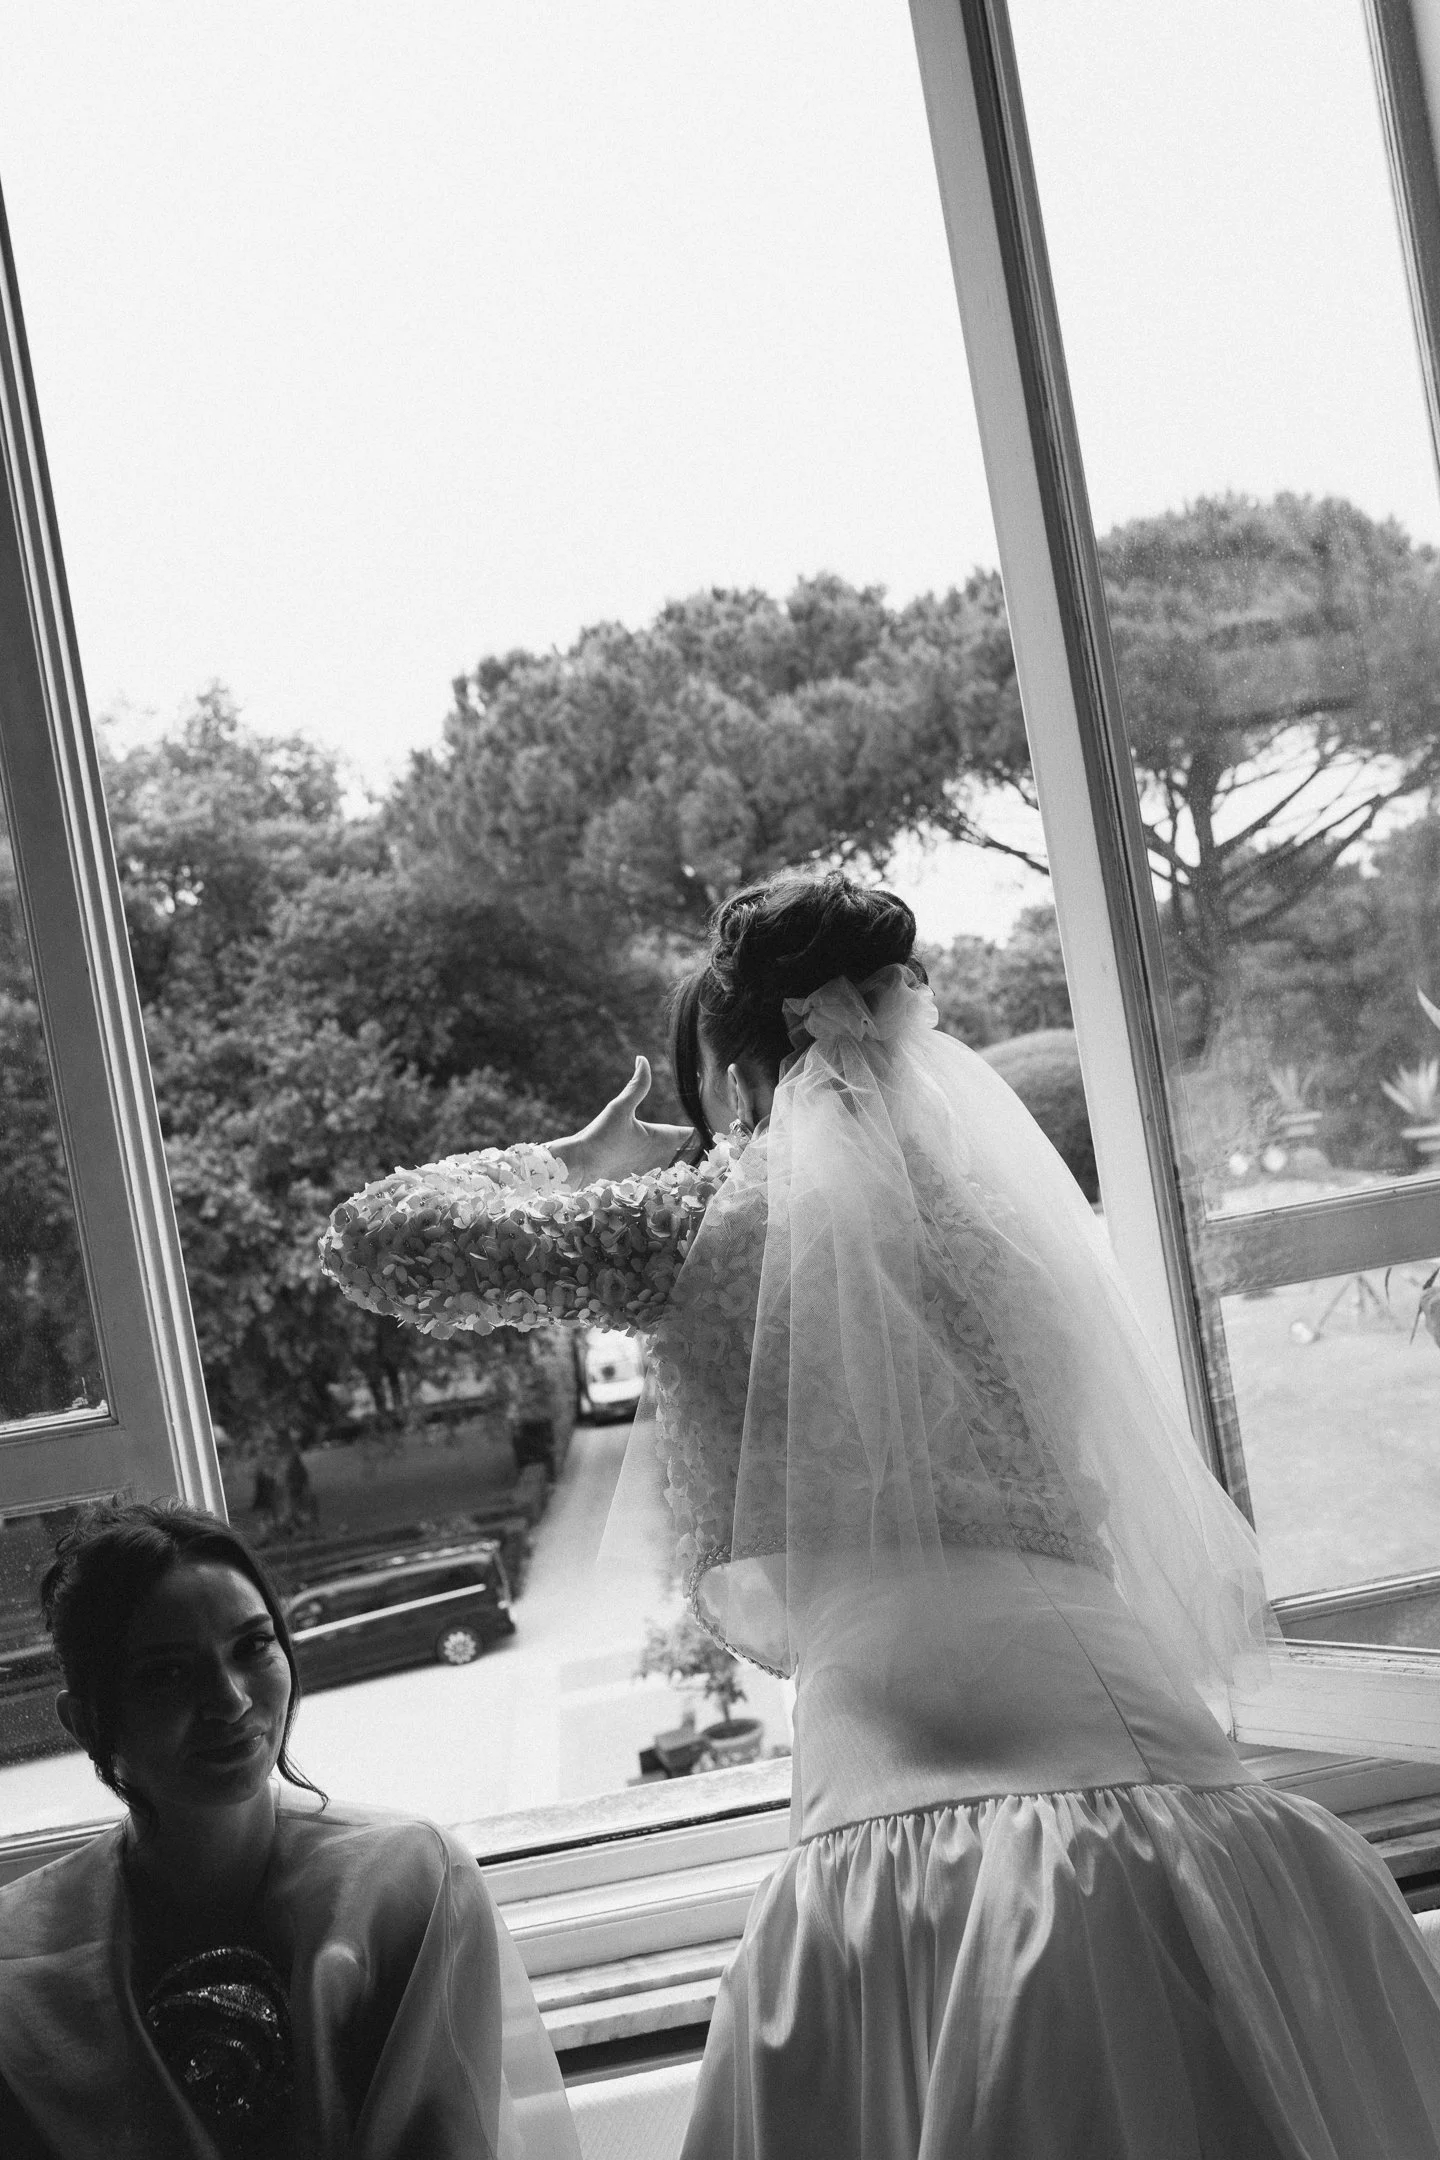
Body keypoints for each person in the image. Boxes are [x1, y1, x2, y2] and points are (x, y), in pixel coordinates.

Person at [322, 868, 1440, 2159]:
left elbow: (379, 1240)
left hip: (896, 1773)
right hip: (1136, 1727)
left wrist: (565, 1163)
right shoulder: (1009, 1219)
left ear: (743, 1079)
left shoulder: (696, 1223)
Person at [0, 1499, 579, 2160]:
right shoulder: (20, 1965)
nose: (231, 1700)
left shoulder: (405, 1884)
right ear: (87, 1723)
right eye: (166, 1674)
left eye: (251, 1646)